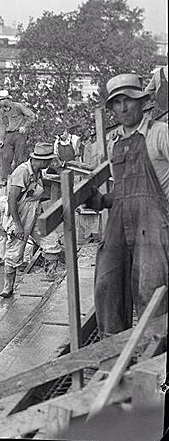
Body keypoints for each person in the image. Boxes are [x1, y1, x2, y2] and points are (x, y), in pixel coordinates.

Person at [84, 73, 169, 337]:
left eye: (129, 101)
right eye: (117, 103)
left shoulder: (160, 133)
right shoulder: (114, 143)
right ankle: (112, 353)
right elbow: (122, 190)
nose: (123, 108)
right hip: (121, 222)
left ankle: (154, 359)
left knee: (150, 287)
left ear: (142, 102)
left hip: (154, 225)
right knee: (107, 284)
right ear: (111, 109)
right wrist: (99, 200)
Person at [0, 142, 56, 297]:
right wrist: (17, 225)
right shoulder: (22, 172)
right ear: (42, 161)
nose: (50, 163)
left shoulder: (38, 173)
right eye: (49, 161)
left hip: (35, 212)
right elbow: (12, 199)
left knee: (51, 242)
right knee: (14, 251)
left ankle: (51, 277)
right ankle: (8, 287)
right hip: (21, 213)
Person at [0, 89, 37, 186]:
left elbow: (32, 116)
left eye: (1, 100)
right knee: (6, 157)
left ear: (6, 99)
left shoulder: (18, 107)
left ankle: (18, 179)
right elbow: (2, 125)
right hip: (9, 135)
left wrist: (25, 126)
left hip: (19, 135)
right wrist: (2, 139)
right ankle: (4, 179)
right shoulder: (2, 111)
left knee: (19, 158)